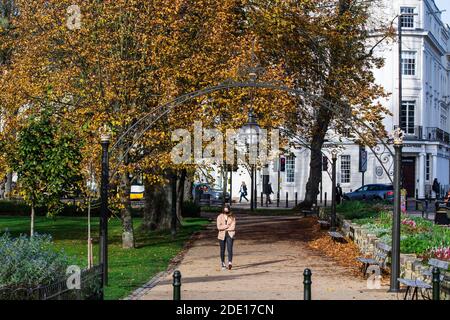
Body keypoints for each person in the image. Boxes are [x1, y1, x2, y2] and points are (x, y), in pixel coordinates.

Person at [216, 204, 236, 270]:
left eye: (227, 209)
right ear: (223, 210)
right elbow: (218, 227)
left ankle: (230, 262)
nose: (226, 211)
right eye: (225, 210)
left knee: (230, 249)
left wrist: (224, 228)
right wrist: (227, 226)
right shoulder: (219, 217)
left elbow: (233, 227)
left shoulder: (232, 217)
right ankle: (223, 263)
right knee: (222, 249)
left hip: (230, 234)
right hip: (221, 235)